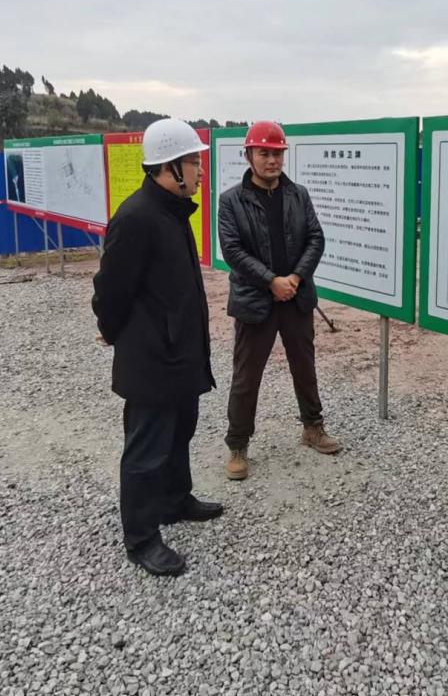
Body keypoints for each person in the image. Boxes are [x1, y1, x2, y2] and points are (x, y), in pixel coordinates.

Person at [92, 118, 223, 577]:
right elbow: (110, 290)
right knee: (146, 449)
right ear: (169, 168)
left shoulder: (173, 210)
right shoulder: (137, 218)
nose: (201, 171)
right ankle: (142, 537)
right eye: (194, 163)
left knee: (180, 430)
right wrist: (111, 331)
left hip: (180, 352)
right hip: (151, 359)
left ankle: (174, 500)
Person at [217, 120, 341, 481]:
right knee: (246, 376)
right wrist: (271, 281)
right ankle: (238, 444)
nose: (272, 161)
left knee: (305, 366)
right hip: (255, 302)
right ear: (248, 155)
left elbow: (315, 238)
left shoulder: (298, 194)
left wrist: (295, 278)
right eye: (264, 153)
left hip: (296, 298)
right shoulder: (231, 201)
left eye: (277, 153)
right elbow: (232, 250)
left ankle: (313, 427)